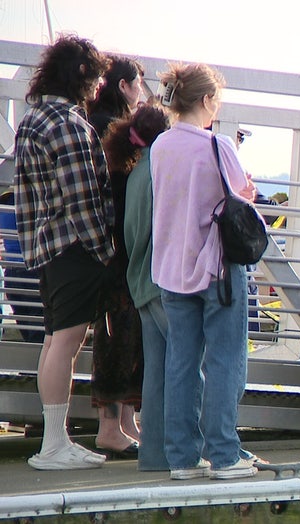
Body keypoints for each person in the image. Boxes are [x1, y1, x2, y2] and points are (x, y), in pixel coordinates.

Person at [150, 62, 258, 480]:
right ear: (207, 100)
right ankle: (225, 455)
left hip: (171, 268)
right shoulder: (219, 146)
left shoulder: (160, 146)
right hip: (216, 268)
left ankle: (182, 457)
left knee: (181, 362)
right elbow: (238, 203)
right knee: (225, 359)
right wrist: (246, 191)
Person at [14, 34, 112, 470]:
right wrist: (104, 251)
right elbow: (83, 199)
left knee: (55, 340)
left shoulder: (33, 120)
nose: (98, 88)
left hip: (45, 248)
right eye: (96, 78)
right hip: (74, 248)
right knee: (66, 344)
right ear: (81, 73)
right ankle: (54, 445)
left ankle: (54, 439)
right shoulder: (69, 125)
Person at [88, 54, 147, 459]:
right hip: (117, 249)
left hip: (108, 248)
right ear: (124, 85)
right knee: (117, 334)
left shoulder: (96, 119)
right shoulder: (109, 127)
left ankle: (124, 421)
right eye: (138, 83)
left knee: (122, 333)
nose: (142, 90)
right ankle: (112, 425)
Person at [110, 103, 171, 470]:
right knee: (183, 365)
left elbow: (131, 235)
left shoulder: (135, 174)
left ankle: (152, 452)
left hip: (139, 280)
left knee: (156, 370)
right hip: (162, 280)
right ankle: (181, 447)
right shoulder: (160, 173)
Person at [0, 190, 44, 343]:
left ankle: (33, 365)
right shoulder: (30, 200)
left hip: (11, 275)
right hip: (31, 272)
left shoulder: (5, 203)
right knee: (41, 335)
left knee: (32, 334)